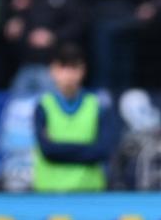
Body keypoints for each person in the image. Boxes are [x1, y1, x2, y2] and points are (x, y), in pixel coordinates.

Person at [32, 42, 116, 192]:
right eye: (63, 67)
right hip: (49, 193)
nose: (69, 74)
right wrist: (87, 150)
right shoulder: (44, 106)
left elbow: (103, 150)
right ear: (53, 70)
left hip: (89, 192)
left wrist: (60, 148)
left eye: (74, 67)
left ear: (83, 70)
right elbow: (48, 150)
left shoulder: (97, 106)